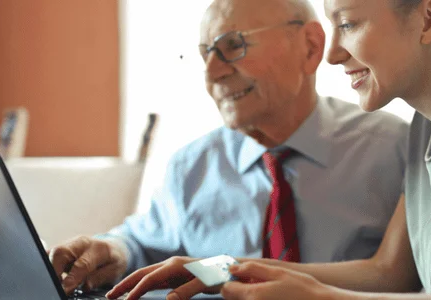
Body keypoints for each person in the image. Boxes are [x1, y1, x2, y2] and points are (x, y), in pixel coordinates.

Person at [106, 0, 431, 299]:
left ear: (428, 19)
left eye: (349, 23)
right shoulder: (427, 126)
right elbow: (389, 272)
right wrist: (222, 267)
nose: (331, 53)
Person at [47, 0, 409, 295]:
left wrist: (218, 270)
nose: (212, 73)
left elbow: (402, 276)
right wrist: (113, 251)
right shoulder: (192, 166)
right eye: (206, 54)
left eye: (233, 46)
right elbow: (142, 241)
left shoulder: (397, 150)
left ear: (311, 47)